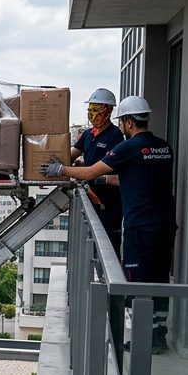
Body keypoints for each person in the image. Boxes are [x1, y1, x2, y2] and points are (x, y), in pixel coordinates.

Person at [44, 95, 177, 351]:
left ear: (127, 122)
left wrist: (61, 170)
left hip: (141, 226)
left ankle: (142, 342)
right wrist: (103, 181)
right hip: (165, 224)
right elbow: (132, 178)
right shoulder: (163, 147)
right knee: (160, 279)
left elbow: (92, 171)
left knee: (137, 283)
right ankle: (159, 336)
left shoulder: (128, 147)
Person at [71, 88, 124, 253]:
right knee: (91, 241)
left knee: (108, 244)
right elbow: (72, 154)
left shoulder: (115, 136)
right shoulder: (88, 134)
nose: (92, 114)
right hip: (91, 197)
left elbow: (117, 168)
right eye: (90, 110)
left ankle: (107, 276)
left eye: (96, 110)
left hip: (108, 202)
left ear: (107, 111)